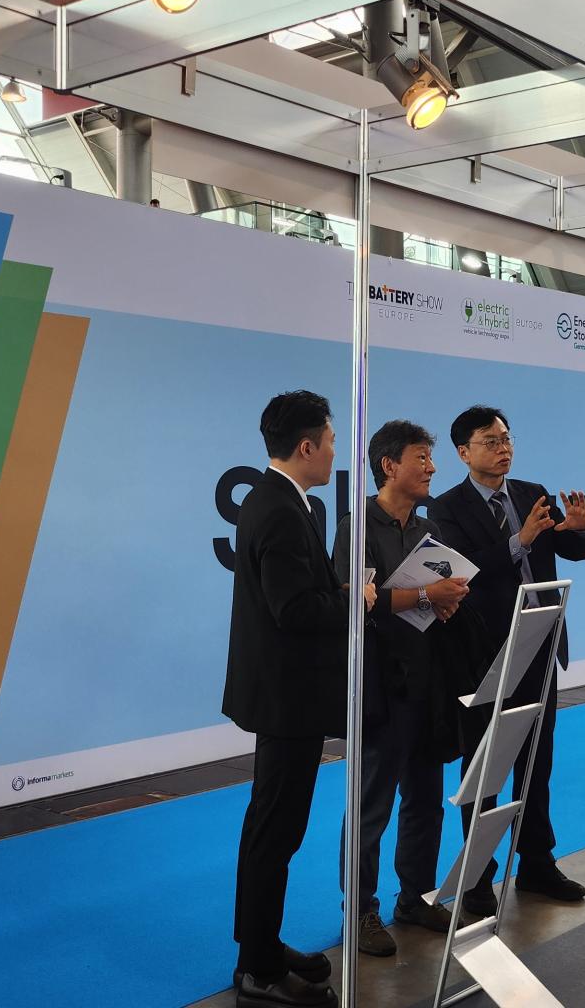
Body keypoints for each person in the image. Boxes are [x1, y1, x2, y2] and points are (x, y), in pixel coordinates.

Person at [223, 391, 375, 1008]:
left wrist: (338, 592)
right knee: (274, 832)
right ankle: (258, 968)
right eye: (332, 441)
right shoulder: (282, 510)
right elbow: (294, 610)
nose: (337, 452)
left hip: (286, 695)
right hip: (287, 699)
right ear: (307, 446)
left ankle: (260, 946)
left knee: (274, 829)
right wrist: (354, 600)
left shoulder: (280, 501)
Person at [427, 405, 585, 914]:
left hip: (539, 644)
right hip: (482, 655)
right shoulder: (446, 508)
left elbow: (571, 550)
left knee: (536, 762)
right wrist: (519, 541)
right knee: (484, 767)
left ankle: (537, 863)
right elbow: (464, 572)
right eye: (490, 441)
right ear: (464, 452)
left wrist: (579, 529)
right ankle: (477, 877)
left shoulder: (530, 492)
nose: (503, 448)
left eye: (506, 439)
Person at [331, 421, 470, 956]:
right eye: (421, 458)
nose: (432, 467)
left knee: (426, 800)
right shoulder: (357, 527)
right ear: (389, 465)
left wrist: (445, 601)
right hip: (379, 686)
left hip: (427, 683)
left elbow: (432, 599)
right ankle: (361, 911)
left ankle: (414, 897)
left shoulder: (428, 529)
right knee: (371, 805)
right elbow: (355, 603)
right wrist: (426, 595)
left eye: (431, 458)